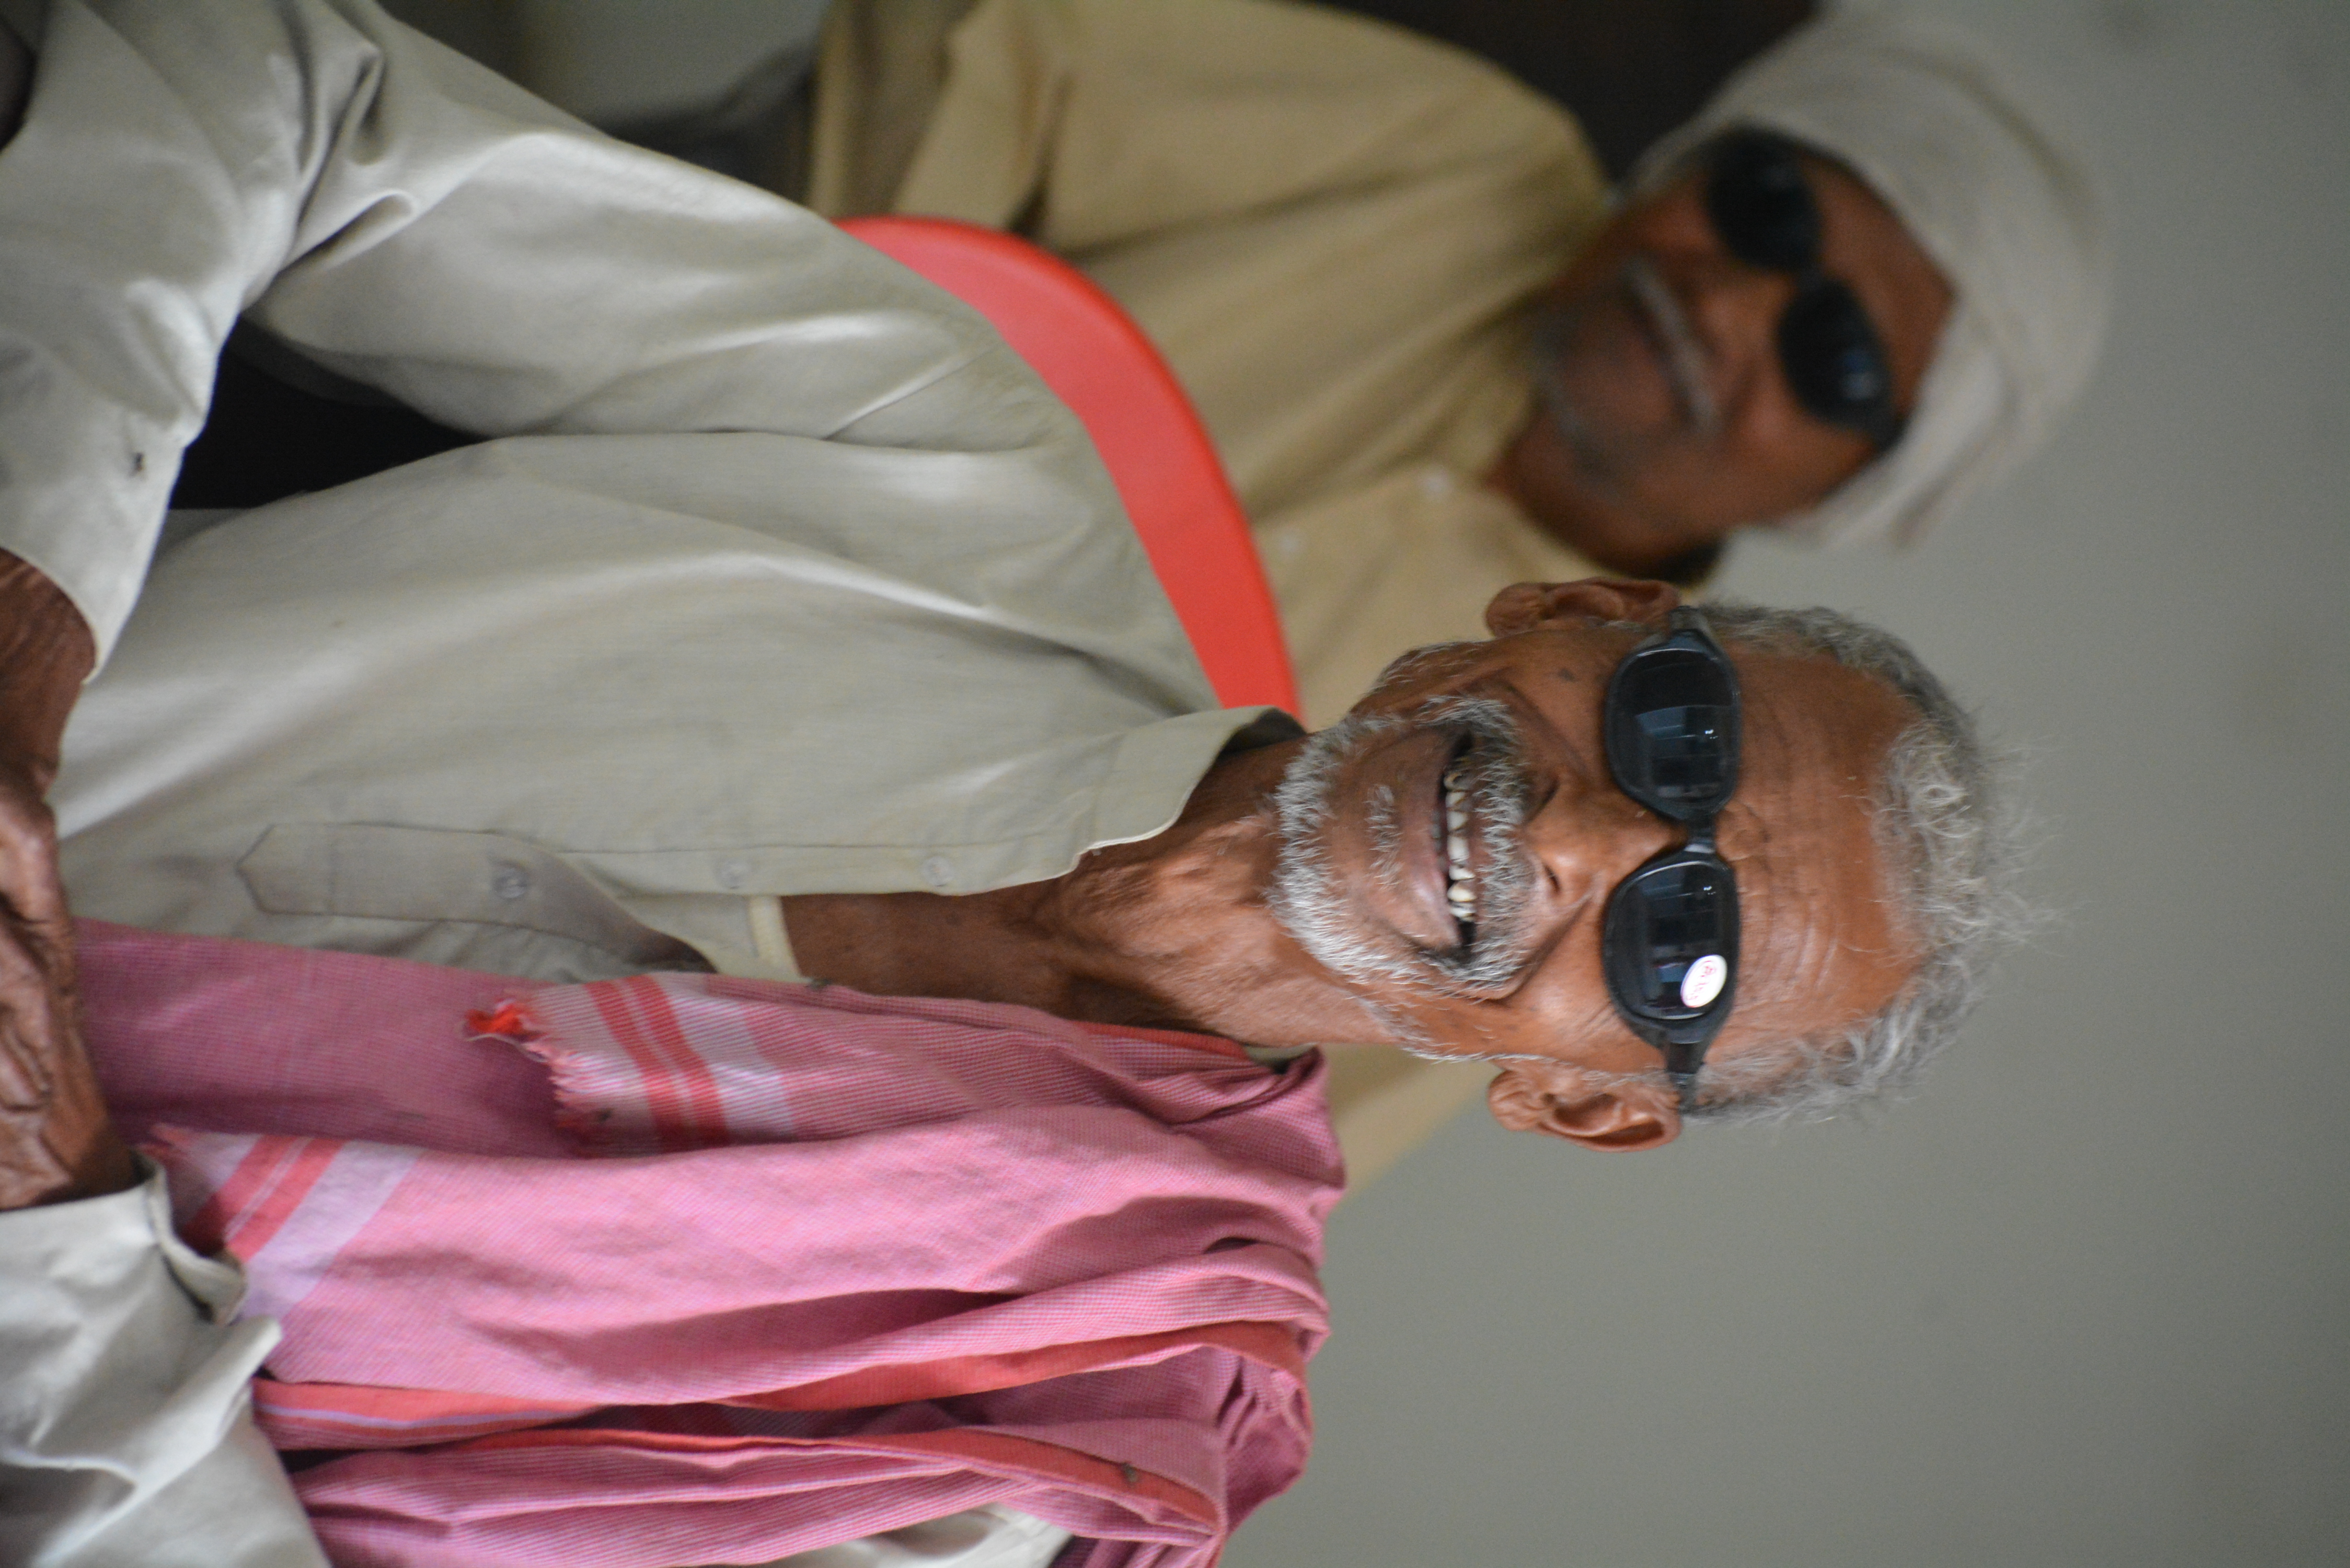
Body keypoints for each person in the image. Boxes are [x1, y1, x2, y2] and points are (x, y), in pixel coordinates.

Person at [0, 2, 2021, 1563]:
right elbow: (274, 92)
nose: (1582, 835)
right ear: (1571, 610)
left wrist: (54, 1233)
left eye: (1681, 950)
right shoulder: (945, 461)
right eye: (1672, 737)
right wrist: (30, 598)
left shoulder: (1026, 1430)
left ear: (1577, 1101)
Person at [777, 0, 2110, 726]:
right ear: (1684, 169)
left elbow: (1258, 1120)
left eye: (1835, 358)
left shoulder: (1591, 771)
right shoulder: (1473, 161)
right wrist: (836, 384)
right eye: (1764, 208)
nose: (1731, 304)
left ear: (1848, 496)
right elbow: (986, 38)